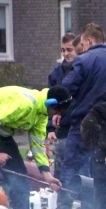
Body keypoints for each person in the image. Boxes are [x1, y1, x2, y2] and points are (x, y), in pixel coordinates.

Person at [60, 23, 106, 209]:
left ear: (89, 41)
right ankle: (93, 208)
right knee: (101, 169)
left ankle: (65, 205)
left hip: (84, 122)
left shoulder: (84, 60)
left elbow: (65, 89)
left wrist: (59, 111)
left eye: (81, 43)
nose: (80, 48)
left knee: (71, 164)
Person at [47, 32, 77, 184]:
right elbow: (50, 102)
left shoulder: (82, 70)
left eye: (69, 49)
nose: (66, 53)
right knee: (60, 164)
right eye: (63, 50)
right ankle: (62, 202)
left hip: (79, 124)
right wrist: (50, 128)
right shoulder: (55, 74)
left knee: (80, 166)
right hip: (62, 126)